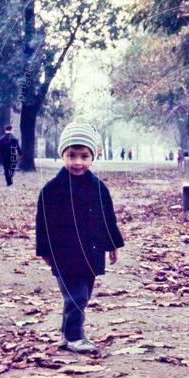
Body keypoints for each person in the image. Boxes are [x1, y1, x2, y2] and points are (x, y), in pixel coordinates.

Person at [36, 117, 125, 353]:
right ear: (63, 155)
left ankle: (66, 333)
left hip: (91, 252)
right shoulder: (52, 190)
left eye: (84, 156)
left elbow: (108, 218)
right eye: (72, 155)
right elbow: (43, 224)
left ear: (92, 157)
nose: (78, 162)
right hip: (64, 255)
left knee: (83, 293)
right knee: (77, 296)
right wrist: (45, 251)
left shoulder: (98, 187)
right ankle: (75, 336)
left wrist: (113, 244)